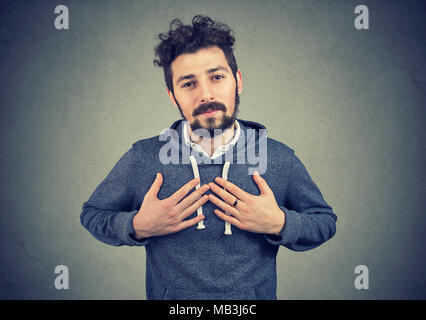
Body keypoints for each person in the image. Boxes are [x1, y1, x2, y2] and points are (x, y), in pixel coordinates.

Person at [80, 15, 337, 300]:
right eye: (188, 84)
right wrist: (137, 226)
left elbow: (324, 222)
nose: (205, 94)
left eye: (216, 77)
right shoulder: (144, 157)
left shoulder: (277, 158)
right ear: (172, 95)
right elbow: (93, 214)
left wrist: (280, 223)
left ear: (237, 81)